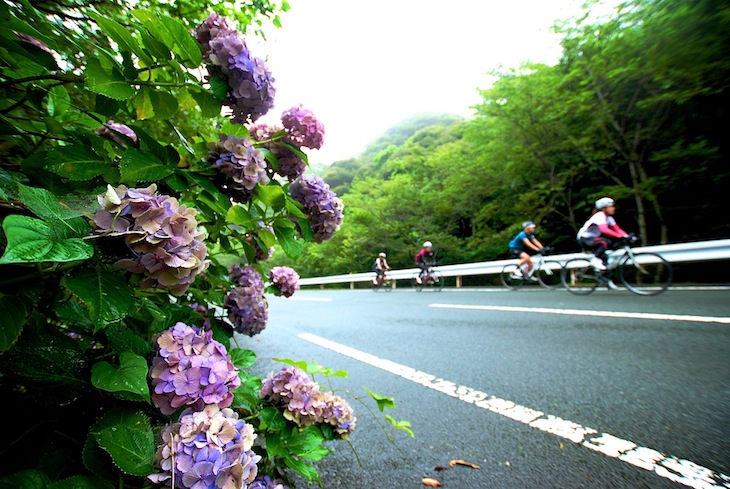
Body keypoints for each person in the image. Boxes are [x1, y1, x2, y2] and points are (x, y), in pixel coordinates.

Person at [577, 197, 630, 270]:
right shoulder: (600, 215)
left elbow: (618, 229)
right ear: (604, 208)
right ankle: (596, 260)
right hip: (585, 238)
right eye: (611, 207)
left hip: (594, 239)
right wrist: (618, 236)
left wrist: (627, 236)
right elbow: (604, 230)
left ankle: (604, 267)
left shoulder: (609, 218)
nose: (613, 208)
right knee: (603, 242)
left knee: (613, 243)